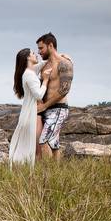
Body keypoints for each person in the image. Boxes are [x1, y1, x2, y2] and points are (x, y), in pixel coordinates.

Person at [8, 48, 51, 166]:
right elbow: (38, 94)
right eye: (33, 53)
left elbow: (38, 67)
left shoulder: (29, 72)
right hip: (32, 115)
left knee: (30, 146)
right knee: (34, 148)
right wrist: (46, 81)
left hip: (31, 114)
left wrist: (56, 56)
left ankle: (26, 170)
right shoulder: (29, 75)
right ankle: (29, 172)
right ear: (28, 57)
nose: (36, 54)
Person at [35, 32, 74, 160]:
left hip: (59, 109)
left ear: (50, 45)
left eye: (41, 48)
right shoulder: (44, 66)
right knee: (54, 144)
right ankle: (57, 173)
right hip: (46, 109)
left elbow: (65, 89)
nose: (39, 52)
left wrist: (44, 105)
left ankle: (46, 175)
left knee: (44, 140)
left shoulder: (64, 63)